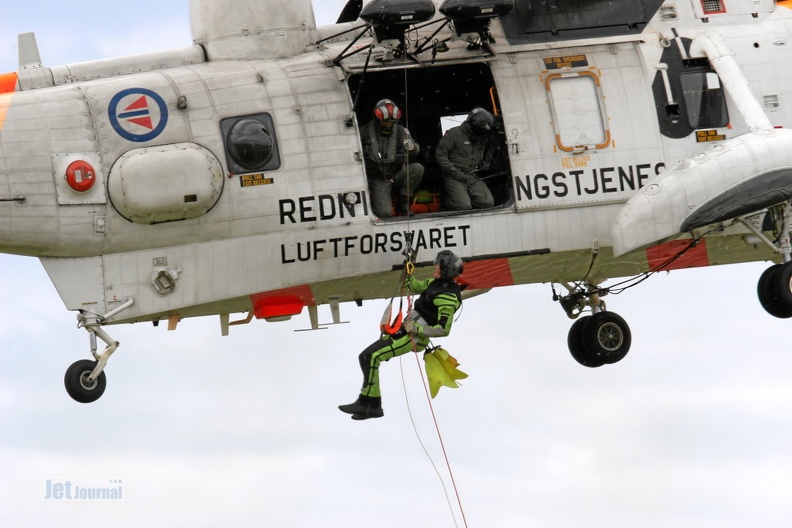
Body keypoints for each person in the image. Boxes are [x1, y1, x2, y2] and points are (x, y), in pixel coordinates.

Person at [339, 250, 464, 420]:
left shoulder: (447, 297)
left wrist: (416, 329)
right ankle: (370, 403)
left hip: (414, 337)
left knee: (372, 356)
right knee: (366, 357)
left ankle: (370, 404)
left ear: (446, 270)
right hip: (407, 329)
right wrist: (408, 267)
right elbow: (412, 285)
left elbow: (443, 329)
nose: (434, 268)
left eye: (438, 267)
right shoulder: (433, 284)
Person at [360, 99, 424, 217]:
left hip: (396, 174)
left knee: (417, 168)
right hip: (379, 179)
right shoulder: (364, 131)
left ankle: (403, 202)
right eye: (385, 121)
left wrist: (412, 148)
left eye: (391, 121)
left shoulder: (401, 131)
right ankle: (380, 200)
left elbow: (415, 152)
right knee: (385, 213)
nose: (388, 124)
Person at [435, 107, 496, 211]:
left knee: (487, 202)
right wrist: (454, 172)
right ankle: (449, 202)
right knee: (463, 206)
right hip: (454, 176)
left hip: (471, 175)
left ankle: (463, 198)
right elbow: (440, 156)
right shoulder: (453, 133)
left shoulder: (481, 136)